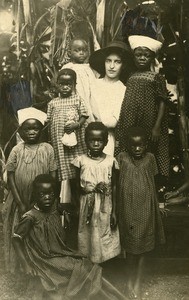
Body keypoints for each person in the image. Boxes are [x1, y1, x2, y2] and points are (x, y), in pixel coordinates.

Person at [12, 174, 127, 300]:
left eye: (50, 193)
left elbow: (62, 208)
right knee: (83, 268)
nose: (47, 198)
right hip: (45, 258)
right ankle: (113, 297)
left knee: (88, 265)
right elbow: (16, 238)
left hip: (59, 252)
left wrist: (65, 213)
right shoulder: (30, 217)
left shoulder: (54, 206)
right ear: (35, 195)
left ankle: (119, 296)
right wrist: (25, 263)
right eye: (42, 194)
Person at [3, 107, 57, 272]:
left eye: (36, 128)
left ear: (41, 130)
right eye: (28, 129)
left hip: (42, 198)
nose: (32, 132)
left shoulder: (48, 148)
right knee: (20, 228)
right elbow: (10, 175)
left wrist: (51, 197)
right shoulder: (17, 150)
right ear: (21, 131)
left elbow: (53, 174)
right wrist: (19, 201)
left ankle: (43, 263)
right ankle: (22, 265)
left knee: (40, 229)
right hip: (21, 197)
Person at [117, 127, 165, 300]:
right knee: (130, 248)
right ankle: (130, 280)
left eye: (141, 145)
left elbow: (155, 182)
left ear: (146, 146)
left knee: (144, 249)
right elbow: (115, 183)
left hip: (146, 208)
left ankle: (138, 281)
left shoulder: (150, 159)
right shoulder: (122, 158)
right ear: (128, 146)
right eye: (133, 146)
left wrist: (159, 205)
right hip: (127, 208)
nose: (137, 149)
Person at [117, 35, 169, 182]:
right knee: (129, 150)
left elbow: (162, 101)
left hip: (149, 120)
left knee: (147, 151)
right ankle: (130, 182)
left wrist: (157, 126)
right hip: (130, 120)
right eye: (138, 55)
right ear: (133, 57)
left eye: (146, 55)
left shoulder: (156, 77)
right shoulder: (130, 75)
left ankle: (149, 184)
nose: (142, 58)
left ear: (152, 58)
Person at [71, 122, 120, 263]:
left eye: (99, 140)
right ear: (86, 141)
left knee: (104, 235)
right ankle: (90, 269)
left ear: (105, 142)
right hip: (87, 205)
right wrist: (76, 205)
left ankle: (104, 269)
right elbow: (75, 186)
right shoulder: (80, 161)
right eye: (92, 140)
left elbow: (115, 187)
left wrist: (115, 211)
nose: (96, 144)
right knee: (88, 235)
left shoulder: (111, 161)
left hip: (105, 205)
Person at [47, 68, 88, 203]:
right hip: (59, 141)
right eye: (62, 84)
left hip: (75, 141)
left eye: (69, 84)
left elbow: (84, 116)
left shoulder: (77, 99)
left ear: (74, 85)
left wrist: (76, 125)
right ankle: (63, 204)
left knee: (76, 169)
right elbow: (48, 121)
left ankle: (78, 200)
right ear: (57, 84)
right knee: (62, 168)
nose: (65, 87)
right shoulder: (53, 103)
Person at [89, 40, 133, 156]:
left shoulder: (123, 89)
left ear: (123, 66)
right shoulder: (93, 84)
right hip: (88, 136)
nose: (112, 66)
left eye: (117, 62)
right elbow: (86, 109)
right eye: (108, 61)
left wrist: (98, 121)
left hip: (107, 138)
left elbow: (112, 122)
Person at [62, 38, 98, 122]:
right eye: (77, 50)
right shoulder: (68, 67)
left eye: (84, 50)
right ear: (70, 52)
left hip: (89, 97)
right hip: (75, 97)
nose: (81, 53)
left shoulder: (89, 68)